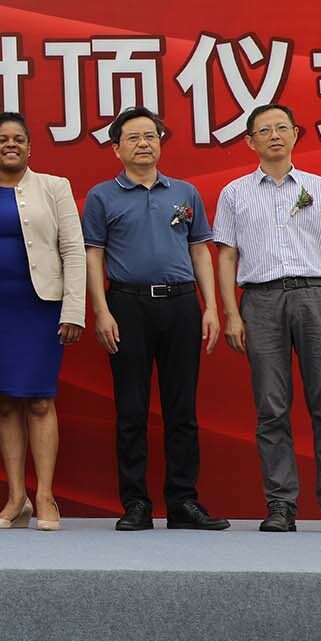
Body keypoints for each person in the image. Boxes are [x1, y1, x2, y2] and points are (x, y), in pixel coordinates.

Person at [214, 103, 321, 535]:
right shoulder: (234, 193)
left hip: (317, 298)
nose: (275, 135)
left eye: (283, 127)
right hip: (260, 302)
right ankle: (281, 504)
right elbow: (226, 255)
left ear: (296, 134)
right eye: (264, 130)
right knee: (271, 409)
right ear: (250, 141)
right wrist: (231, 313)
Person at [82, 106, 227, 532]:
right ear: (116, 148)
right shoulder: (101, 197)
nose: (144, 143)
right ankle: (136, 504)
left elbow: (201, 250)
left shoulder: (184, 193)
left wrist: (212, 307)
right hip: (126, 307)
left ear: (160, 143)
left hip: (181, 304)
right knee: (131, 409)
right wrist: (101, 309)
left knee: (182, 409)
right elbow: (94, 254)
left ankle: (183, 501)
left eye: (151, 135)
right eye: (134, 137)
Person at [0, 113, 84, 532]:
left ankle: (46, 495)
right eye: (2, 140)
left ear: (30, 147)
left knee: (40, 400)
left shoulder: (54, 187)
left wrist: (73, 309)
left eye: (18, 139)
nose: (10, 145)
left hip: (40, 307)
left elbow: (74, 250)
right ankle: (16, 498)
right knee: (7, 402)